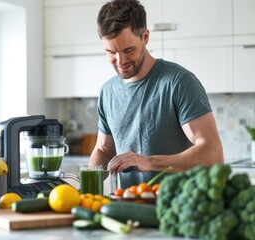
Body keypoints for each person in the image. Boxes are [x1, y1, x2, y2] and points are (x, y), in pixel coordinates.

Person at [89, 0, 224, 181]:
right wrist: (86, 185)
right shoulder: (108, 92)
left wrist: (150, 162)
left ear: (145, 37)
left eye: (128, 50)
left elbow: (213, 155)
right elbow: (104, 150)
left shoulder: (179, 82)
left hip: (175, 207)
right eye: (111, 52)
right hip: (127, 207)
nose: (120, 61)